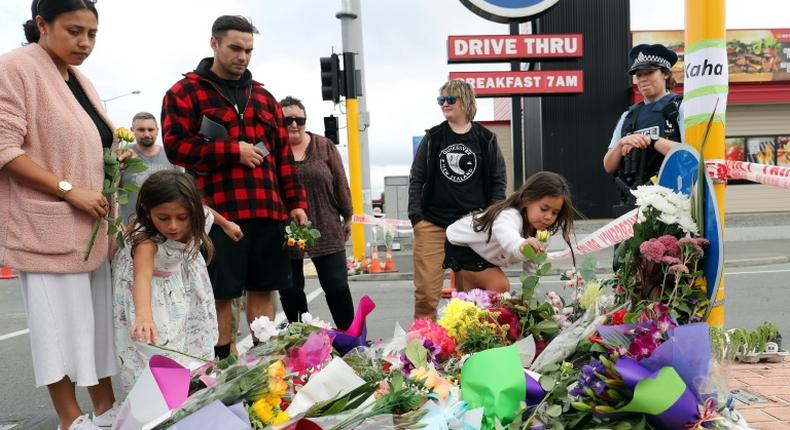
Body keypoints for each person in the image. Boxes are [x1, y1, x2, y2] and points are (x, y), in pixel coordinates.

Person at [0, 1, 124, 428]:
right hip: (47, 229)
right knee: (60, 331)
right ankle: (70, 419)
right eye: (74, 31)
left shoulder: (80, 79)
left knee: (97, 330)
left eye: (91, 34)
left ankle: (108, 411)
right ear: (41, 24)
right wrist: (69, 190)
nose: (84, 43)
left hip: (92, 230)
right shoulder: (15, 68)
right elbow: (4, 149)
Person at [161, 15, 307, 359]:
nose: (242, 56)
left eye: (249, 50)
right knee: (218, 292)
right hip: (218, 214)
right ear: (214, 44)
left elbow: (283, 157)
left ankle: (263, 366)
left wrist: (296, 202)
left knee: (263, 288)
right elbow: (176, 147)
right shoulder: (184, 92)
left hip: (268, 210)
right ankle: (222, 368)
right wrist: (233, 151)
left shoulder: (265, 98)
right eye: (235, 48)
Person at [112, 171, 242, 392]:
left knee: (191, 335)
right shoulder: (146, 241)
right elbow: (141, 277)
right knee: (161, 345)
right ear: (147, 210)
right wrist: (144, 316)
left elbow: (207, 211)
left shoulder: (195, 214)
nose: (173, 226)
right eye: (163, 218)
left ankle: (190, 385)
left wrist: (227, 224)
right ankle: (160, 396)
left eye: (182, 217)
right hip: (149, 292)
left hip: (180, 281)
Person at [408, 79, 507, 319]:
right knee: (425, 294)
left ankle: (465, 347)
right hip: (432, 224)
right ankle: (422, 349)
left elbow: (498, 181)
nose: (444, 104)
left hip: (471, 227)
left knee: (471, 296)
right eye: (441, 100)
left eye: (450, 99)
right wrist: (417, 218)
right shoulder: (433, 138)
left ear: (465, 102)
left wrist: (491, 217)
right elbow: (416, 178)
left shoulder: (485, 139)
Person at [277, 96, 355, 330]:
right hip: (286, 229)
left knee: (337, 286)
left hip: (326, 223)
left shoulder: (324, 146)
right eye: (287, 120)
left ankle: (351, 341)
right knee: (291, 291)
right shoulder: (273, 149)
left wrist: (348, 216)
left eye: (299, 120)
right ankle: (302, 341)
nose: (293, 125)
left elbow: (340, 182)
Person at [444, 172, 578, 293]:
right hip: (462, 244)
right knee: (499, 286)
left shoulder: (542, 235)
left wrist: (528, 293)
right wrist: (523, 244)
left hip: (484, 253)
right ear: (526, 200)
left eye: (555, 213)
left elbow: (531, 265)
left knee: (472, 301)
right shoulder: (508, 216)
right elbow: (510, 238)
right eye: (544, 209)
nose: (549, 217)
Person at [603, 43, 684, 216]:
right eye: (639, 75)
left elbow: (690, 155)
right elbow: (608, 166)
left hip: (671, 207)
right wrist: (621, 144)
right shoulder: (628, 115)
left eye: (649, 72)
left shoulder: (681, 107)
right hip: (631, 207)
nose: (643, 79)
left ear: (666, 74)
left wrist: (653, 141)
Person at [118, 112, 178, 223]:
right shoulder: (123, 154)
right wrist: (118, 165)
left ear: (157, 130)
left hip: (165, 226)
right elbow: (112, 186)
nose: (146, 134)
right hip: (132, 227)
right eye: (141, 130)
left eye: (150, 130)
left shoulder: (171, 155)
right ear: (132, 130)